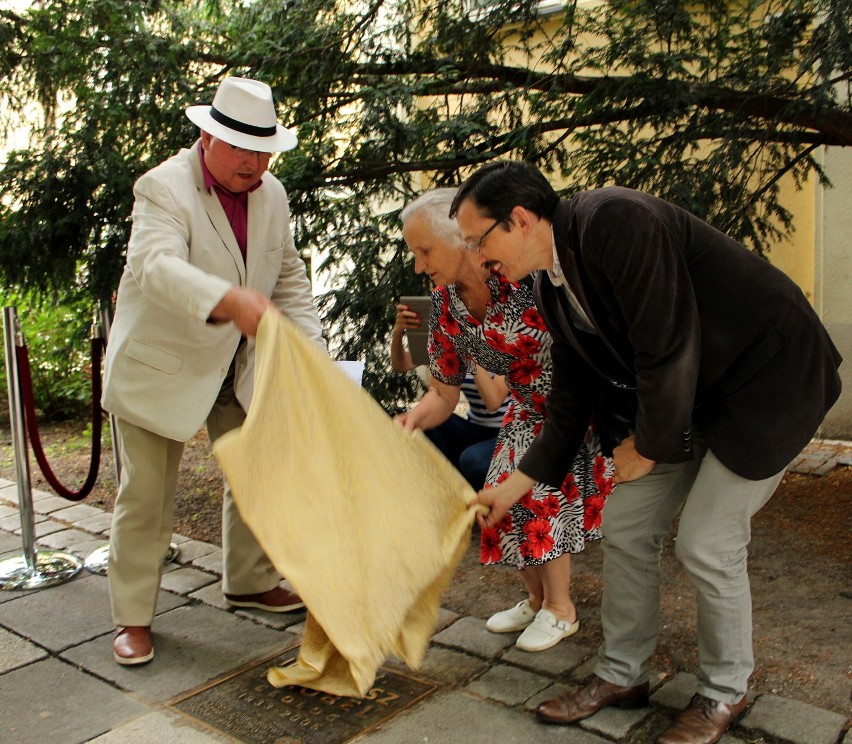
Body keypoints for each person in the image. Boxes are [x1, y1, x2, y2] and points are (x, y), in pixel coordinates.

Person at [450, 161, 842, 743]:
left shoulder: (616, 220)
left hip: (770, 383)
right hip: (696, 392)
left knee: (708, 540)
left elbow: (668, 340)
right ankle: (622, 675)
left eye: (478, 240)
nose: (478, 260)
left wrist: (651, 446)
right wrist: (517, 483)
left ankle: (723, 691)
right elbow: (573, 391)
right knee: (627, 521)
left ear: (522, 219)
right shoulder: (549, 282)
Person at [101, 77, 326, 667]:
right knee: (147, 494)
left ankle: (249, 579)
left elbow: (289, 281)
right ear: (208, 137)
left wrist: (311, 354)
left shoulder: (272, 194)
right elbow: (155, 266)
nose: (254, 163)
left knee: (258, 472)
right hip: (163, 365)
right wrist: (231, 300)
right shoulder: (163, 187)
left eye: (264, 150)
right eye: (241, 149)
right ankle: (132, 616)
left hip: (240, 362)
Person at [396, 188, 613, 653]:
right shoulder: (445, 305)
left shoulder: (522, 279)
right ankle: (536, 601)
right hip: (524, 410)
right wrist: (413, 418)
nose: (419, 265)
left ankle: (561, 610)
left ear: (460, 238)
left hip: (572, 411)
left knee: (538, 500)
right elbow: (443, 392)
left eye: (425, 251)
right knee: (500, 503)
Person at [392, 301, 510, 490]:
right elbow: (402, 364)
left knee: (472, 460)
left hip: (506, 433)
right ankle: (451, 486)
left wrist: (471, 347)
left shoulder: (506, 336)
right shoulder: (451, 335)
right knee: (423, 425)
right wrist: (398, 333)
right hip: (474, 428)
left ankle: (479, 493)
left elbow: (493, 402)